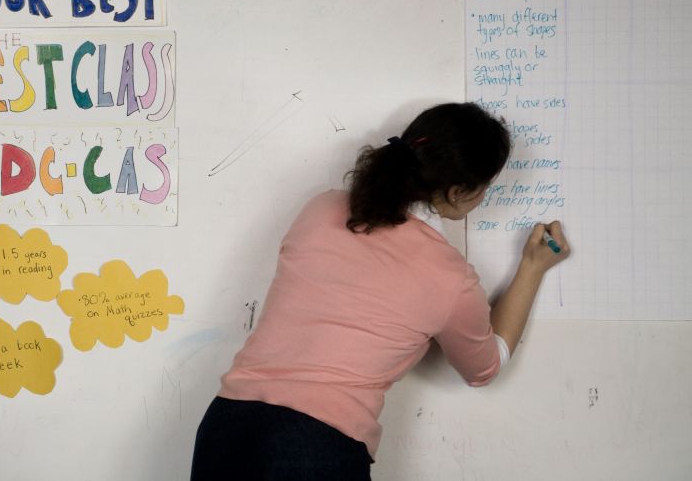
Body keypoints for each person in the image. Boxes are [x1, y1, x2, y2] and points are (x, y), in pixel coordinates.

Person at [190, 102, 571, 481]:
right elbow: (485, 367)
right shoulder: (448, 277)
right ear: (458, 192)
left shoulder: (322, 208)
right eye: (485, 188)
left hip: (226, 427)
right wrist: (533, 267)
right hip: (316, 443)